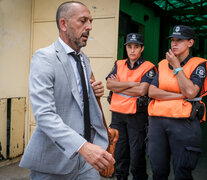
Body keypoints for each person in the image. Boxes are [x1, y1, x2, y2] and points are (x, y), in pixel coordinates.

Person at [19, 1, 115, 179]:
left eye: (91, 21)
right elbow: (44, 115)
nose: (89, 27)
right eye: (83, 21)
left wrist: (94, 94)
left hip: (88, 163)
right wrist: (83, 147)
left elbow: (79, 103)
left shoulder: (84, 60)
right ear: (63, 24)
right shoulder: (44, 58)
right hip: (54, 163)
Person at [147, 25, 207, 180]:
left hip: (183, 123)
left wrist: (176, 67)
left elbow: (190, 92)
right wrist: (180, 96)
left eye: (179, 40)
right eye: (173, 40)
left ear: (190, 43)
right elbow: (152, 92)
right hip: (157, 122)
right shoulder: (161, 64)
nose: (174, 44)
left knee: (182, 171)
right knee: (158, 170)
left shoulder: (198, 64)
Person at [106, 33, 156, 180]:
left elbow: (142, 90)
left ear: (142, 48)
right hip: (118, 115)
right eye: (129, 46)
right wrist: (132, 84)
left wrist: (118, 86)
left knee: (137, 154)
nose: (132, 50)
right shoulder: (119, 64)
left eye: (136, 47)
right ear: (126, 48)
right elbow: (109, 84)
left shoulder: (149, 67)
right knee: (119, 152)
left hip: (136, 116)